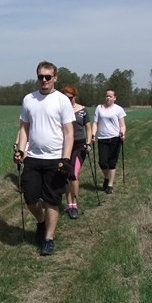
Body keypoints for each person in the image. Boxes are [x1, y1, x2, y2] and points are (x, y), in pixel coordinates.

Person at [14, 61, 75, 256]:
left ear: (55, 78)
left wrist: (66, 158)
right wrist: (21, 150)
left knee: (52, 200)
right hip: (33, 157)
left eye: (48, 77)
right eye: (41, 77)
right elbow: (24, 128)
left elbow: (69, 132)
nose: (44, 80)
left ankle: (48, 238)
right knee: (30, 197)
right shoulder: (29, 99)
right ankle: (41, 221)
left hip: (55, 158)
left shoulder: (62, 100)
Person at [61, 85, 92, 219]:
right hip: (65, 145)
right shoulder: (61, 110)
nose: (68, 100)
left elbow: (89, 128)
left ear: (75, 97)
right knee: (67, 175)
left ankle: (75, 204)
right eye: (65, 97)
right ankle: (70, 205)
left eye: (71, 97)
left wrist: (89, 143)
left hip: (79, 145)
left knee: (73, 174)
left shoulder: (82, 110)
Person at [92, 89, 126, 194]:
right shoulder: (99, 108)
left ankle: (110, 184)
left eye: (110, 96)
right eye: (107, 96)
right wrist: (93, 134)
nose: (108, 98)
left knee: (112, 162)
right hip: (102, 138)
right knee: (102, 162)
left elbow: (122, 125)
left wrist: (123, 133)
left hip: (115, 138)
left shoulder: (118, 109)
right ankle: (107, 177)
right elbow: (95, 123)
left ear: (115, 98)